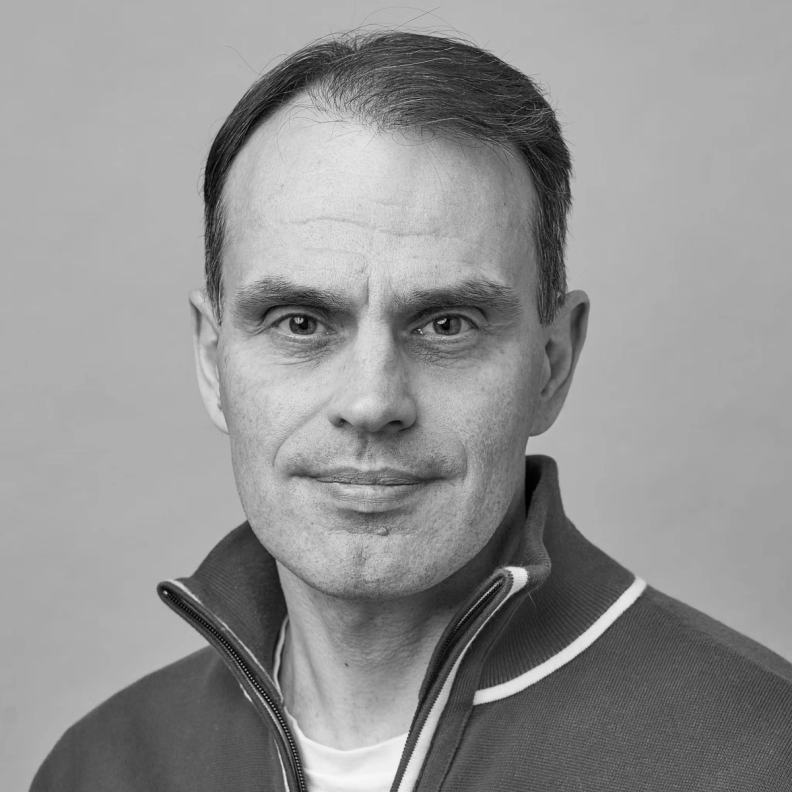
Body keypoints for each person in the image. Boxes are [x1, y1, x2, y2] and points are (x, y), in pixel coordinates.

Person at [31, 30, 792, 792]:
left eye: (446, 324)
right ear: (212, 359)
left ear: (553, 362)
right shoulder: (101, 769)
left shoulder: (759, 757)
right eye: (300, 322)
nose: (372, 402)